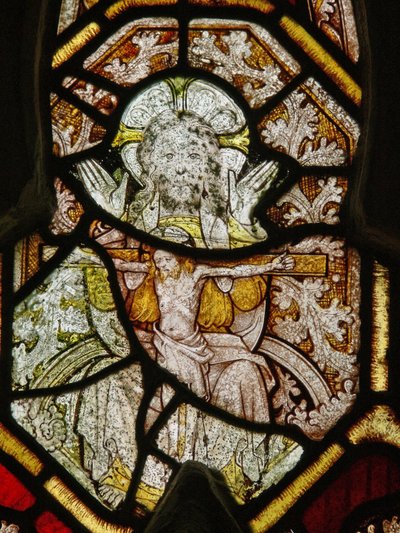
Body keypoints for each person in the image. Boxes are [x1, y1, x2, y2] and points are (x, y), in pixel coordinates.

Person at [115, 249, 294, 422]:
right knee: (169, 389)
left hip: (189, 344)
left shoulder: (197, 274)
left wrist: (270, 266)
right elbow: (122, 264)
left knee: (196, 393)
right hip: (165, 343)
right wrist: (98, 258)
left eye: (167, 259)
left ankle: (192, 429)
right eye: (158, 261)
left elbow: (234, 271)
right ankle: (173, 429)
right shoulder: (156, 275)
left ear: (179, 258)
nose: (162, 265)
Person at [77, 110, 283, 249]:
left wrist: (244, 221)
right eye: (168, 156)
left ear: (209, 166)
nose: (181, 168)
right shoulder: (131, 221)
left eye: (193, 156)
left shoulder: (230, 227)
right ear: (150, 165)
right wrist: (111, 220)